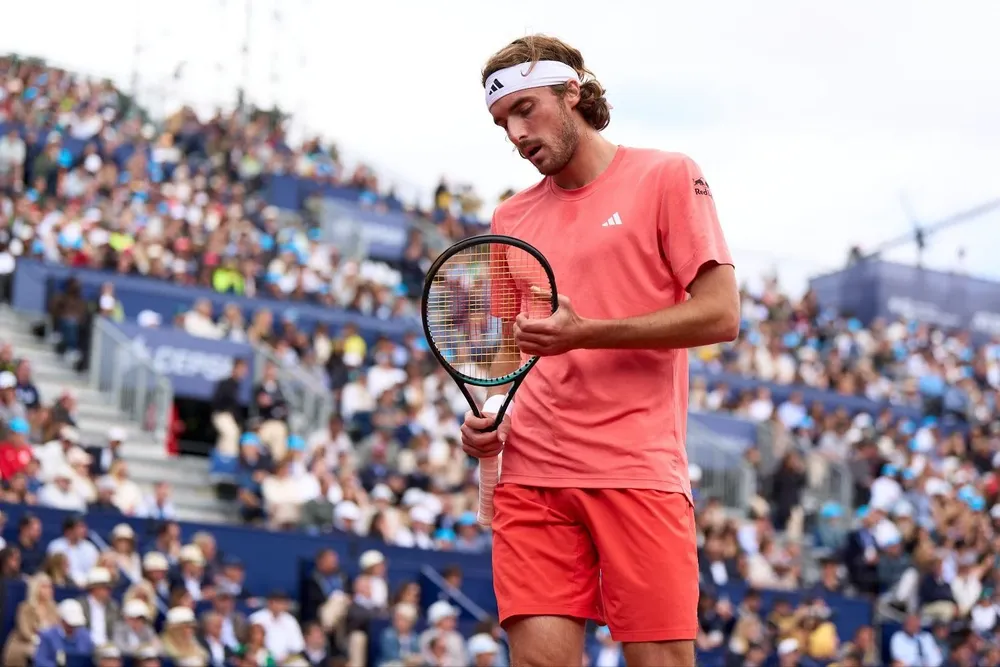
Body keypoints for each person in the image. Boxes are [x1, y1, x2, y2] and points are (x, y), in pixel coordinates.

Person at [460, 34, 739, 667]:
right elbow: (511, 357)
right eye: (503, 122)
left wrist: (587, 332)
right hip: (531, 474)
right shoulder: (509, 218)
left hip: (635, 471)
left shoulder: (668, 174)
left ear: (572, 92)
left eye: (525, 109)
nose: (516, 133)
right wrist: (486, 422)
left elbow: (721, 314)